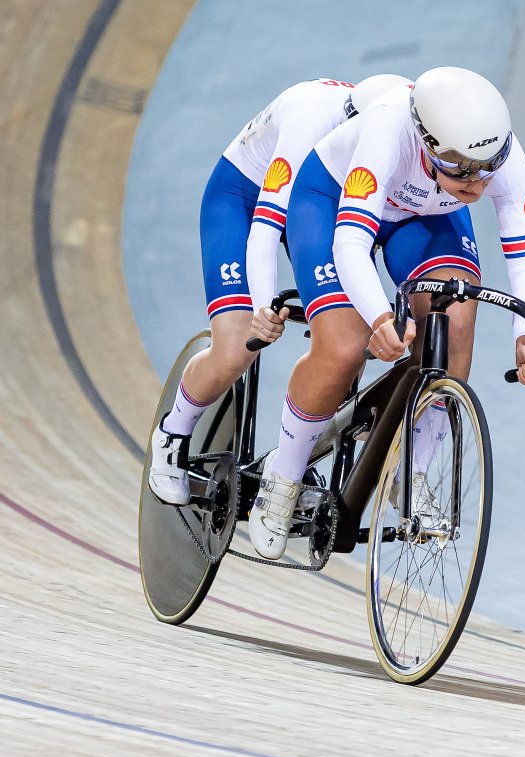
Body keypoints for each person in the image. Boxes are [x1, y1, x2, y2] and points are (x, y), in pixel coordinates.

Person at [246, 66, 525, 560]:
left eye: (486, 166)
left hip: (426, 213)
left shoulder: (499, 157)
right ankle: (282, 476)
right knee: (345, 345)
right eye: (460, 166)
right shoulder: (389, 126)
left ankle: (411, 472)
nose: (476, 182)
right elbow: (350, 242)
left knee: (457, 317)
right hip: (332, 198)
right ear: (427, 142)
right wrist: (376, 318)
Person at [147, 74, 411, 504]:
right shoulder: (311, 121)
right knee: (237, 347)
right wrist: (263, 306)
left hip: (312, 202)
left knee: (348, 327)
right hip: (245, 202)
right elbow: (266, 229)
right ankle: (172, 433)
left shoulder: (384, 139)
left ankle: (297, 455)